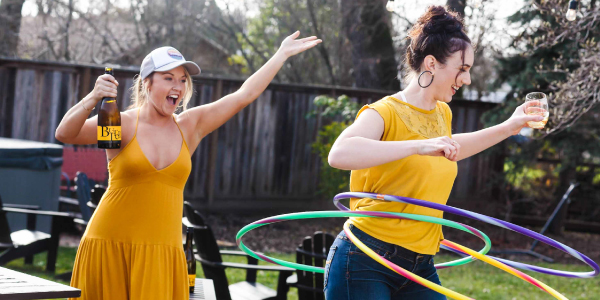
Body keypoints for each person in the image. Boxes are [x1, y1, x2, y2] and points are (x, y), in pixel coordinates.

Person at [55, 31, 321, 300]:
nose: (178, 86)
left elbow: (244, 95)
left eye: (183, 80)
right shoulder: (120, 122)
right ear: (147, 83)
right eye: (168, 78)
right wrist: (92, 98)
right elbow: (65, 134)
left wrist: (281, 54)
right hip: (109, 242)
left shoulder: (189, 126)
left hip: (162, 251)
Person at [324, 6, 544, 300]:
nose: (466, 79)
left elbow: (452, 148)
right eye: (462, 69)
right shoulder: (385, 111)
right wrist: (418, 145)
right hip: (366, 259)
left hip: (420, 263)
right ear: (432, 64)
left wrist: (509, 126)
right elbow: (339, 153)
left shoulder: (442, 113)